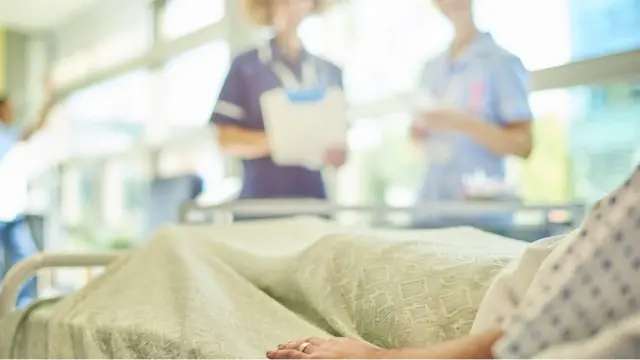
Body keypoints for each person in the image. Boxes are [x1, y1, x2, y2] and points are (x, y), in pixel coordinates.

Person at [266, 164, 640, 358]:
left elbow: (524, 340)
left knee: (335, 253)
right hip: (515, 264)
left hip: (485, 293)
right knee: (335, 247)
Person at [410, 0, 533, 231]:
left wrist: (461, 123)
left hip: (480, 220)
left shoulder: (501, 62)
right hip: (429, 212)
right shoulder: (431, 69)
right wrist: (418, 133)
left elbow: (523, 145)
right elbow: (417, 141)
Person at [210, 0, 346, 205]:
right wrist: (280, 142)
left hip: (315, 204)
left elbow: (340, 148)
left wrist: (336, 155)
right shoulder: (246, 66)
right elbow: (225, 139)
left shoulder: (329, 72)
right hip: (261, 203)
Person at [0, 83, 55, 308]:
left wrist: (49, 101)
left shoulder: (12, 135)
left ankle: (22, 308)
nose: (13, 111)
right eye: (9, 107)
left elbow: (36, 127)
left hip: (14, 214)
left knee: (27, 261)